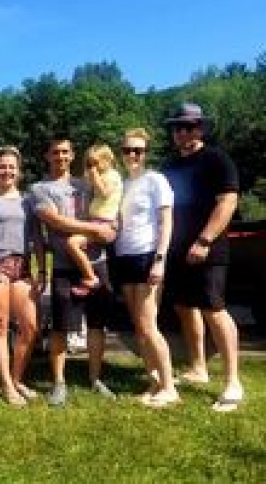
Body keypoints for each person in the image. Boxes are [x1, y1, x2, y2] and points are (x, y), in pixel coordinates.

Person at [162, 102, 244, 411]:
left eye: (188, 127)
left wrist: (204, 240)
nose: (182, 132)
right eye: (177, 127)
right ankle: (198, 368)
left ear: (200, 129)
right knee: (185, 307)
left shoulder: (217, 160)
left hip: (208, 248)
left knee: (214, 309)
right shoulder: (169, 167)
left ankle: (233, 381)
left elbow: (227, 202)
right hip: (176, 250)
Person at [29, 138, 117, 407]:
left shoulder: (86, 183)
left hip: (97, 261)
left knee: (96, 324)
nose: (61, 156)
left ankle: (95, 378)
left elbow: (109, 205)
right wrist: (95, 229)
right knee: (60, 327)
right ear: (47, 155)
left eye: (65, 152)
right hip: (64, 266)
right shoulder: (39, 188)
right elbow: (55, 221)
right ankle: (59, 383)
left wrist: (113, 228)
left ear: (72, 155)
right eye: (55, 152)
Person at [0, 145, 46, 406]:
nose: (7, 171)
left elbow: (37, 238)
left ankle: (16, 379)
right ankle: (6, 385)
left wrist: (41, 270)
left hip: (22, 268)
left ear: (19, 171)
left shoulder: (28, 201)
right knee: (0, 327)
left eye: (11, 167)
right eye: (2, 166)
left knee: (30, 327)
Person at [115, 128, 179, 407]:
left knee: (148, 324)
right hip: (124, 257)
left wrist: (160, 260)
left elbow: (167, 222)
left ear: (146, 154)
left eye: (138, 150)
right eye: (127, 150)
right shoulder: (121, 184)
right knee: (139, 327)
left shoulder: (156, 180)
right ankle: (154, 383)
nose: (132, 155)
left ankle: (169, 387)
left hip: (147, 256)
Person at [65, 144, 122, 296]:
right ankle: (89, 281)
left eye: (95, 163)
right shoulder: (101, 176)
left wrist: (95, 176)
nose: (92, 167)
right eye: (89, 163)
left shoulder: (113, 175)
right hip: (95, 221)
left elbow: (104, 193)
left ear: (107, 160)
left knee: (72, 243)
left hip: (104, 224)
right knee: (83, 249)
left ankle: (91, 278)